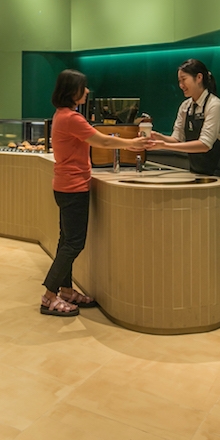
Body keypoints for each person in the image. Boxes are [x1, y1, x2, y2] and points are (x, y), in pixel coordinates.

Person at [40, 70, 148, 317]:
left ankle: (66, 291)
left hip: (64, 185)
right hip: (73, 187)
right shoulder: (72, 118)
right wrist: (132, 144)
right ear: (72, 91)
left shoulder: (62, 115)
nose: (87, 91)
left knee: (66, 241)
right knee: (73, 244)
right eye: (83, 87)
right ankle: (49, 296)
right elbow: (103, 141)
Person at [141, 60, 220, 305]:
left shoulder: (215, 105)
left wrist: (166, 145)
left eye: (184, 80)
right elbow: (177, 137)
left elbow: (205, 144)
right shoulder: (185, 106)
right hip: (199, 172)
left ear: (199, 78)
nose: (181, 85)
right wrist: (159, 137)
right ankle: (211, 279)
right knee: (208, 228)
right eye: (179, 81)